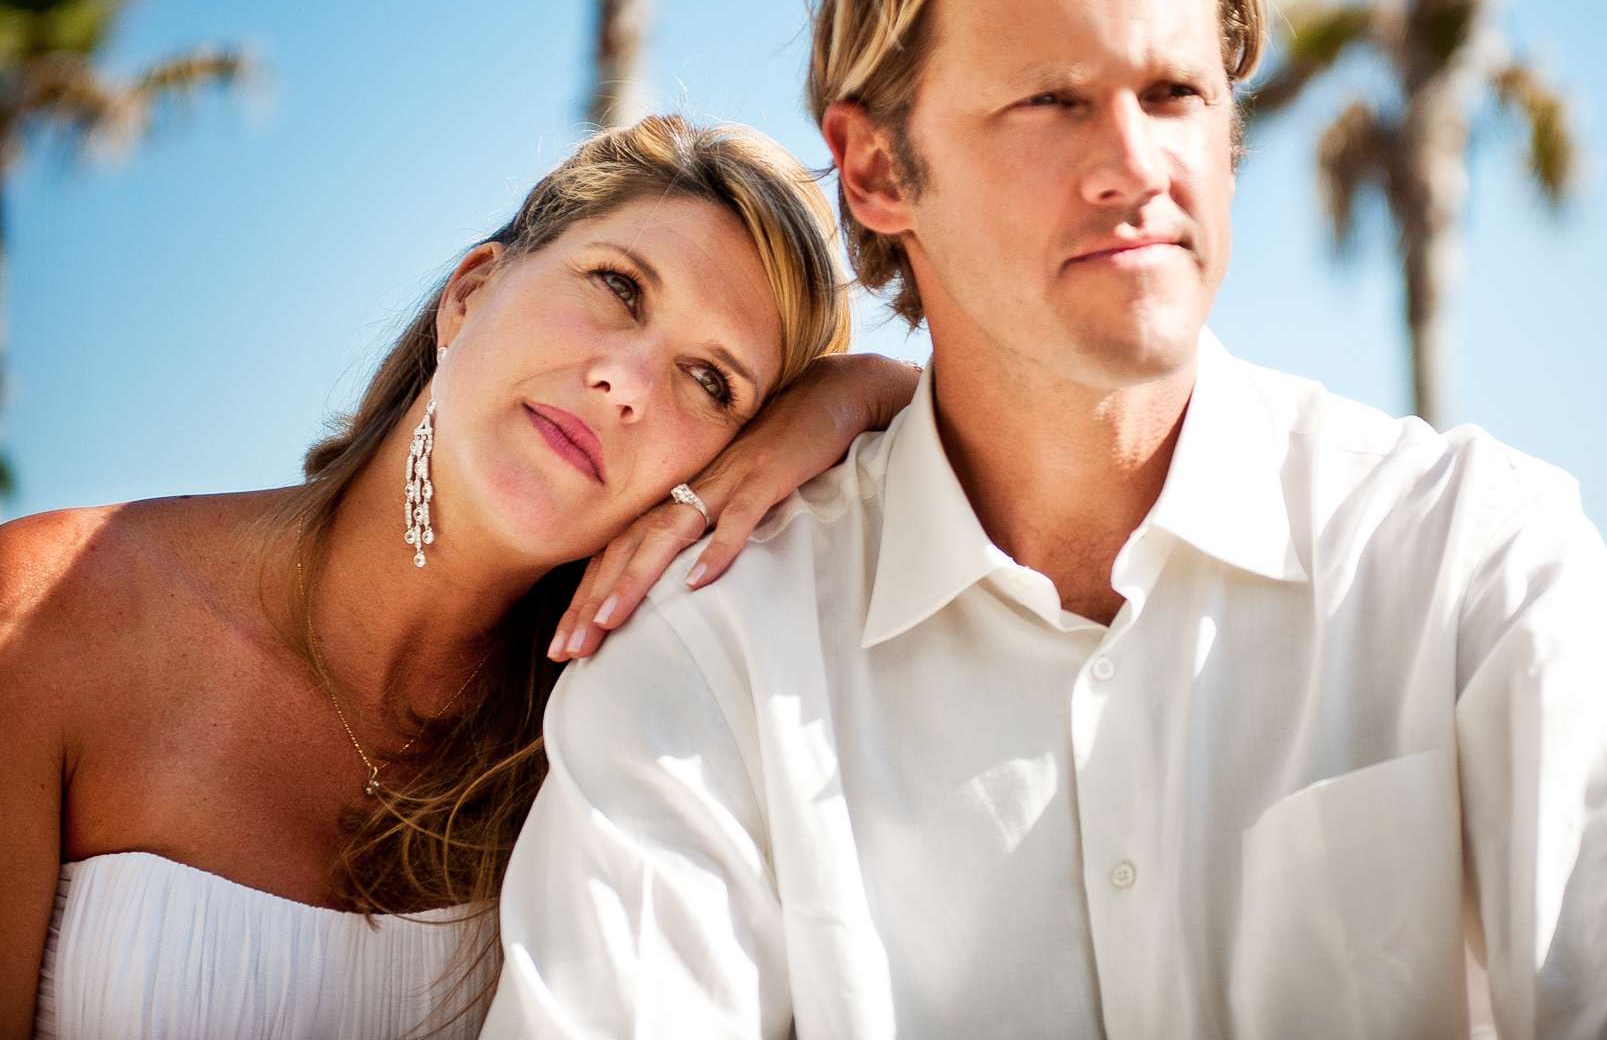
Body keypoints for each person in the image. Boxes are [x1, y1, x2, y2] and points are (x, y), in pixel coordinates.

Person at [485, 0, 1607, 1039]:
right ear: (880, 168)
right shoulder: (710, 660)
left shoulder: (1474, 561)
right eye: (1051, 103)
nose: (1136, 165)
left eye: (1174, 94)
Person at [0, 115, 924, 1039]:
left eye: (711, 382)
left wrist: (855, 396)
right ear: (472, 293)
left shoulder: (610, 734)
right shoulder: (53, 607)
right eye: (620, 287)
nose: (629, 383)